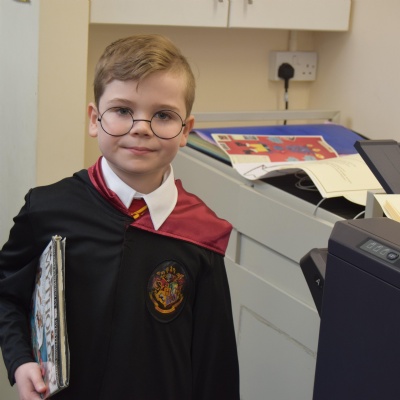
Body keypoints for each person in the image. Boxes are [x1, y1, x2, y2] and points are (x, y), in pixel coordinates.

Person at [0, 34, 240, 400]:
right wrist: (20, 360)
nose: (141, 127)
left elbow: (214, 361)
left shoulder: (201, 234)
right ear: (94, 120)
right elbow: (6, 296)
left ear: (185, 131)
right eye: (123, 110)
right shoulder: (47, 210)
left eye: (163, 115)